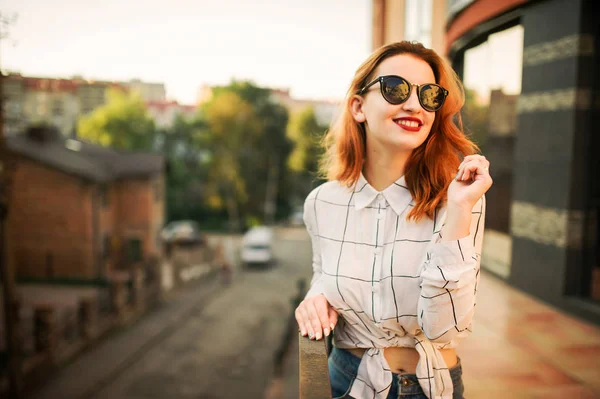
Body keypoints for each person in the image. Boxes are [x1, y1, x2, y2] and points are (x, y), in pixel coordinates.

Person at [294, 41, 492, 399]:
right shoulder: (322, 202)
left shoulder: (461, 199)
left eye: (429, 95)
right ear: (358, 107)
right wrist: (315, 297)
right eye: (395, 88)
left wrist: (459, 210)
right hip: (346, 380)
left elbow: (445, 329)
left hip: (432, 387)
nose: (415, 105)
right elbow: (323, 275)